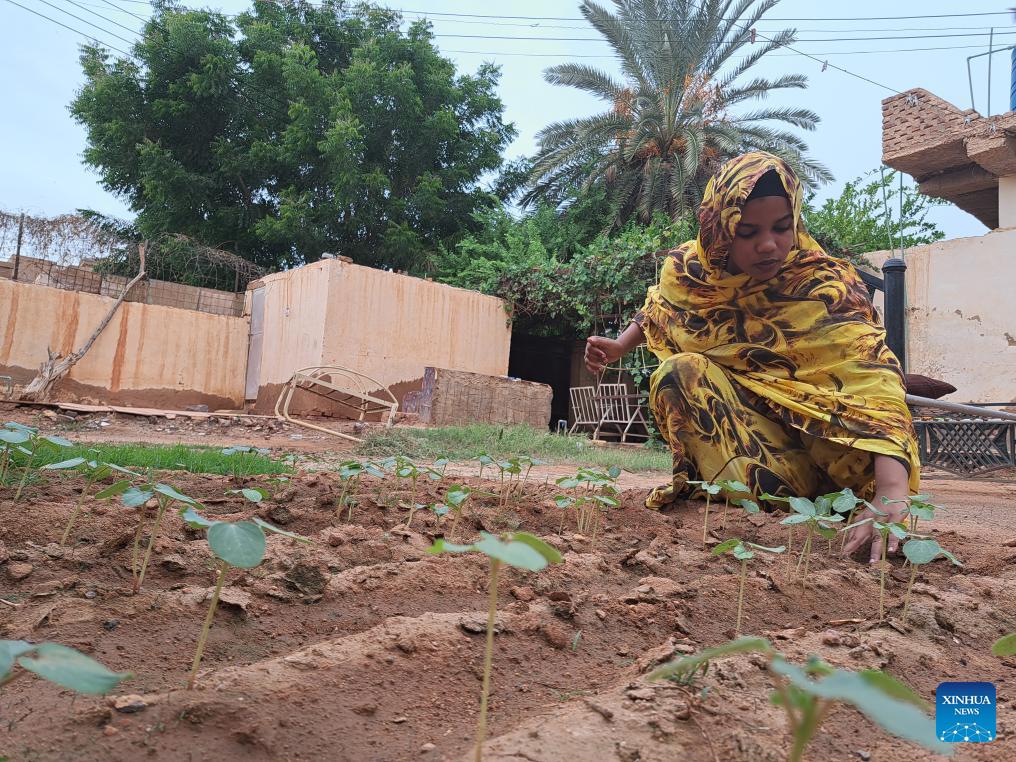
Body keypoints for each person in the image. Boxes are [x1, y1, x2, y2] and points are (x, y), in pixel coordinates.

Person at [584, 152, 919, 564]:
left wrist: (890, 492)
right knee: (680, 373)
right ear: (719, 231)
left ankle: (845, 505)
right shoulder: (689, 271)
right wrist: (620, 345)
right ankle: (760, 500)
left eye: (782, 228)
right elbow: (662, 308)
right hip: (766, 458)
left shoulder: (824, 286)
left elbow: (874, 382)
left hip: (837, 465)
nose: (768, 245)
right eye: (747, 232)